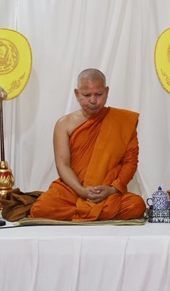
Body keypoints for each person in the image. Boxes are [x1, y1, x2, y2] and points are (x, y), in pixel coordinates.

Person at [29, 69, 146, 221]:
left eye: (98, 94)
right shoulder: (64, 124)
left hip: (106, 191)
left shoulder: (123, 122)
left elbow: (130, 163)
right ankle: (95, 213)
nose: (93, 100)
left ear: (107, 92)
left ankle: (86, 212)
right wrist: (81, 191)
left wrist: (112, 190)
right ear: (77, 94)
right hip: (73, 188)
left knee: (136, 205)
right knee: (41, 208)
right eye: (86, 95)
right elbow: (63, 164)